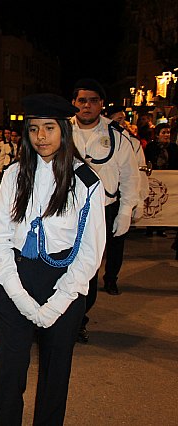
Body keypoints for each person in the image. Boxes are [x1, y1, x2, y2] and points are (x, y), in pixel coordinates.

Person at [0, 93, 106, 426]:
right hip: (17, 277)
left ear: (64, 131)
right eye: (34, 128)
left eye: (49, 128)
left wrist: (56, 304)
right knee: (8, 372)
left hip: (64, 279)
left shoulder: (86, 182)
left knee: (55, 374)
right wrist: (21, 297)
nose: (41, 137)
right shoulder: (14, 175)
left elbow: (90, 252)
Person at [71, 79, 139, 342]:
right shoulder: (61, 131)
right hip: (66, 211)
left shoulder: (117, 137)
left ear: (101, 104)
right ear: (74, 103)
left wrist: (125, 210)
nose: (87, 106)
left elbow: (130, 176)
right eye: (82, 100)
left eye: (93, 100)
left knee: (88, 269)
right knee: (61, 266)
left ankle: (79, 320)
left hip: (101, 210)